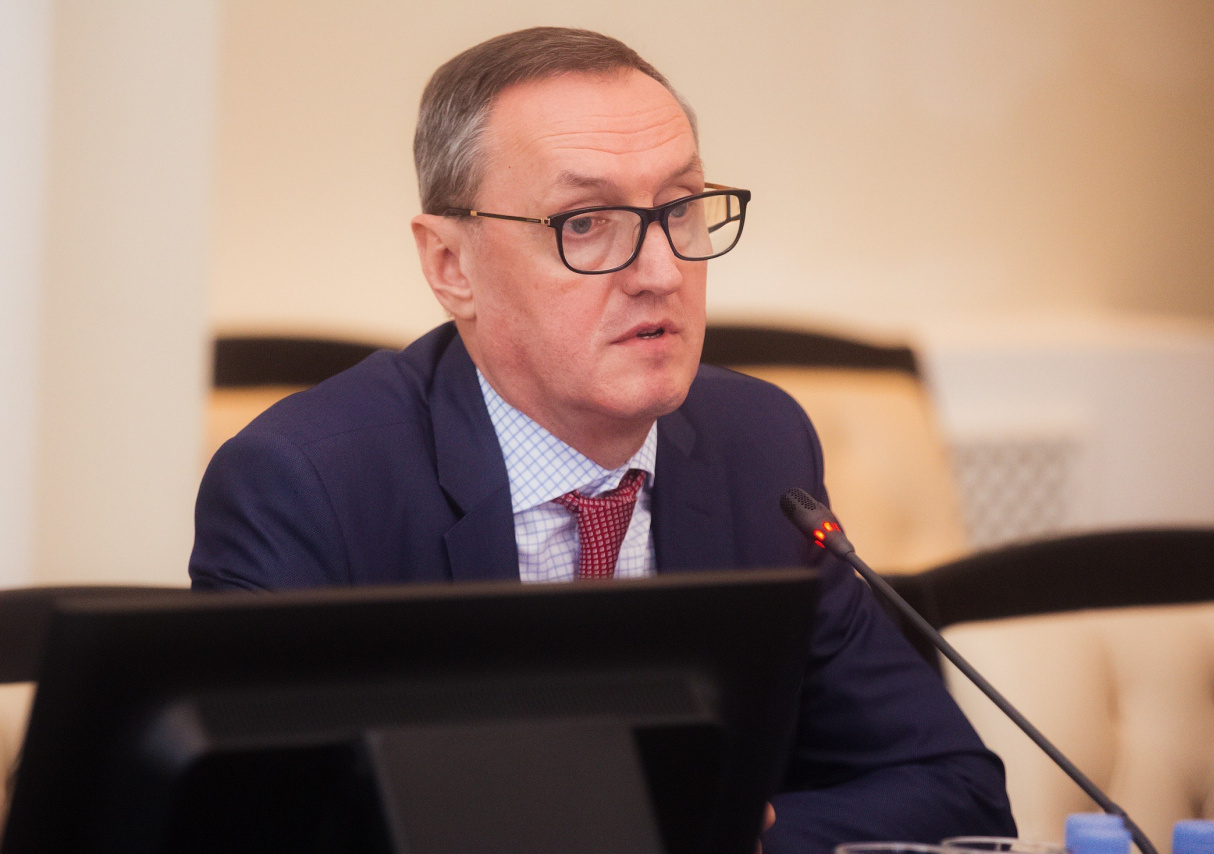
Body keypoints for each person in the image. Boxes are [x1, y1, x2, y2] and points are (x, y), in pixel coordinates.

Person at [191, 27, 1016, 853]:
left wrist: (727, 841)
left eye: (680, 208)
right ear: (450, 265)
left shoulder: (760, 448)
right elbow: (249, 834)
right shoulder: (305, 485)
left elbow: (955, 789)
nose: (660, 272)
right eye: (585, 222)